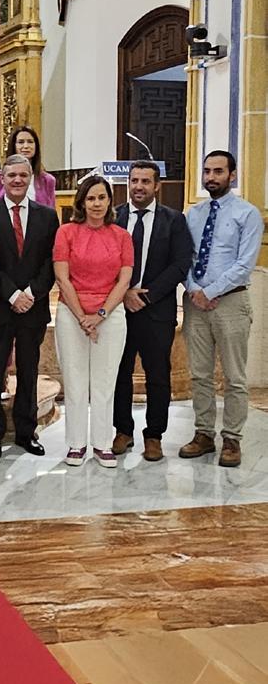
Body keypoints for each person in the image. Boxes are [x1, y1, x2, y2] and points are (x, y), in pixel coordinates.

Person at [180, 150, 263, 468]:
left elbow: (245, 264)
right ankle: (203, 433)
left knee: (234, 377)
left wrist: (211, 292)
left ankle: (232, 438)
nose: (211, 177)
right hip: (195, 303)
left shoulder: (247, 214)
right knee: (199, 374)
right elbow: (185, 257)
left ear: (232, 175)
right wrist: (194, 290)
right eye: (207, 171)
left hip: (231, 302)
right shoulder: (193, 214)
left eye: (218, 171)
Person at [110, 161, 192, 462]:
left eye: (145, 181)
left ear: (157, 185)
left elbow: (181, 263)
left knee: (158, 374)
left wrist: (147, 296)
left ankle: (154, 435)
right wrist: (124, 293)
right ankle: (123, 430)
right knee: (119, 372)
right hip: (119, 309)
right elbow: (105, 262)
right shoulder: (114, 217)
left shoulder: (174, 220)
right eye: (134, 181)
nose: (139, 187)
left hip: (156, 310)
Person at [0, 154, 58, 458]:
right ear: (2, 179)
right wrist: (12, 294)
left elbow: (51, 262)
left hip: (33, 307)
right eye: (11, 175)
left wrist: (31, 293)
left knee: (29, 370)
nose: (17, 180)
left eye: (23, 175)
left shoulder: (46, 216)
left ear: (30, 179)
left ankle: (26, 432)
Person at [52, 176, 133, 468]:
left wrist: (99, 316)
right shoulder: (66, 232)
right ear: (81, 202)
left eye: (102, 198)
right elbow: (62, 277)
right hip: (71, 313)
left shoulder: (121, 236)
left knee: (105, 381)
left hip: (109, 315)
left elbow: (124, 281)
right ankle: (76, 444)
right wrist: (82, 317)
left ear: (110, 201)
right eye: (91, 198)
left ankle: (102, 444)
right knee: (74, 381)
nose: (96, 204)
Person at [0, 126, 56, 208]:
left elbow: (51, 211)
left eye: (30, 142)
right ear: (13, 145)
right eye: (21, 142)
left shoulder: (48, 180)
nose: (26, 146)